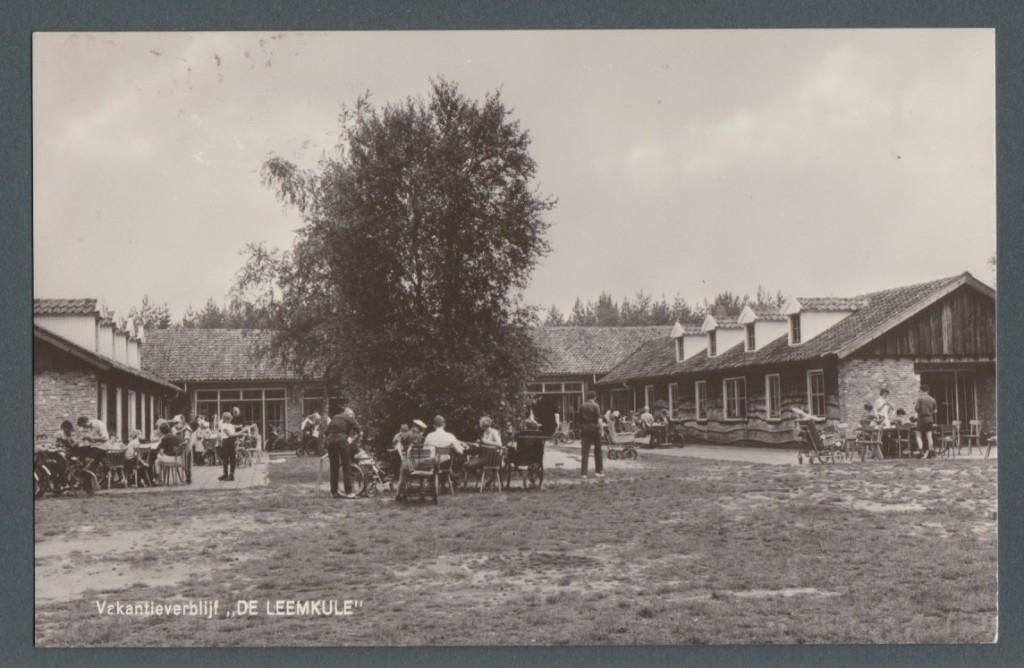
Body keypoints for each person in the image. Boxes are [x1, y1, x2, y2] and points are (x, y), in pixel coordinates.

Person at [324, 398, 361, 498]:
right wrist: (351, 439)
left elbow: (326, 432)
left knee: (334, 467)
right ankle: (349, 492)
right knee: (346, 466)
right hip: (341, 441)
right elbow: (358, 430)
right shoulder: (349, 417)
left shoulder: (335, 417)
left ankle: (333, 492)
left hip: (330, 441)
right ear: (350, 414)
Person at [578, 390, 604, 480]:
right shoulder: (596, 406)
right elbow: (599, 419)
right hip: (595, 429)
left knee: (585, 452)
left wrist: (581, 429)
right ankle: (599, 472)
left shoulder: (582, 406)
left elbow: (579, 419)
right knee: (598, 450)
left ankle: (584, 473)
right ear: (595, 397)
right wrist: (602, 429)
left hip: (585, 429)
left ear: (587, 397)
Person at [913, 385, 938, 457]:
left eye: (920, 391)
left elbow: (917, 410)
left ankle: (920, 450)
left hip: (921, 418)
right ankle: (930, 451)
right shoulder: (932, 399)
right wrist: (930, 412)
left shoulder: (919, 399)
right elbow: (935, 411)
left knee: (918, 434)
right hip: (929, 418)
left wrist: (915, 405)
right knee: (929, 435)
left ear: (922, 391)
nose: (919, 392)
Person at [218, 411, 238, 481]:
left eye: (229, 418)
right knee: (225, 458)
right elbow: (230, 434)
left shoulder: (231, 425)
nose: (229, 419)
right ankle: (225, 474)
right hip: (226, 442)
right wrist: (241, 433)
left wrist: (240, 434)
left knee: (232, 458)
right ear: (225, 419)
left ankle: (231, 474)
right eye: (227, 418)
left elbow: (233, 434)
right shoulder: (224, 425)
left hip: (231, 441)